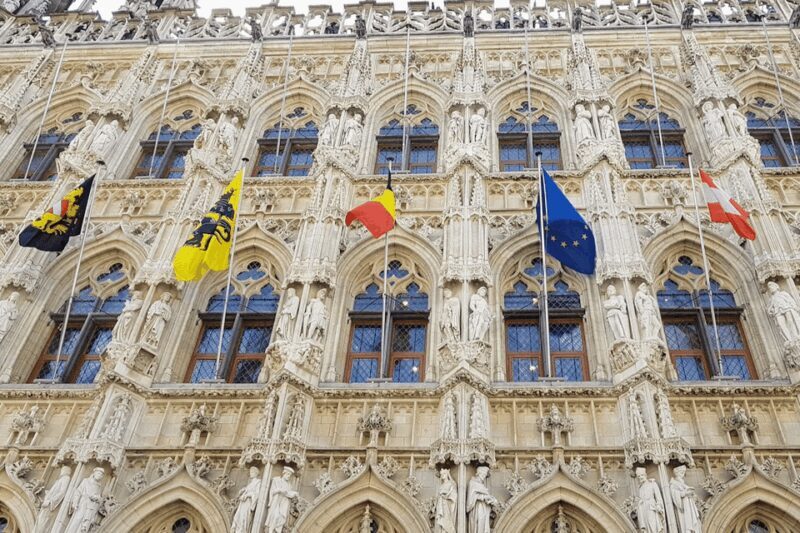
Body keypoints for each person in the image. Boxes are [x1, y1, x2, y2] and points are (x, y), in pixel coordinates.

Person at [65, 468, 105, 533]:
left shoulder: (99, 486)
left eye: (101, 475)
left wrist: (97, 498)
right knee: (76, 521)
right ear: (94, 473)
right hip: (82, 504)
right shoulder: (86, 481)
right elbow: (78, 492)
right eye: (98, 473)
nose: (100, 475)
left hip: (91, 508)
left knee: (84, 526)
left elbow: (99, 498)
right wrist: (75, 502)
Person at [265, 466, 299, 533]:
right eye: (288, 474)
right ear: (284, 473)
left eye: (290, 475)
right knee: (275, 516)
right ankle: (270, 530)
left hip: (284, 503)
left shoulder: (289, 485)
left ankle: (277, 531)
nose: (289, 476)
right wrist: (280, 490)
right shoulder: (276, 480)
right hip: (276, 501)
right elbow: (272, 491)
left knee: (281, 518)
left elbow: (288, 494)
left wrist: (294, 494)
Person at [670, 465, 701, 533]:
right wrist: (685, 493)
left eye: (683, 472)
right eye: (681, 472)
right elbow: (675, 494)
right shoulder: (674, 483)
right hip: (684, 506)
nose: (683, 474)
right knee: (687, 523)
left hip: (689, 504)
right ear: (676, 473)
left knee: (692, 521)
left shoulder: (682, 483)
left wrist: (692, 494)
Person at [466, 466, 496, 533]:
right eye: (483, 474)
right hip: (477, 508)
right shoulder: (472, 483)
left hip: (484, 508)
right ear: (479, 473)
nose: (484, 476)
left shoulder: (481, 485)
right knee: (478, 525)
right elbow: (470, 499)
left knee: (483, 526)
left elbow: (486, 496)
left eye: (485, 475)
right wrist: (483, 497)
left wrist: (491, 501)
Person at [231, 467, 261, 533]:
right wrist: (243, 491)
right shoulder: (250, 484)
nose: (251, 474)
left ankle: (241, 530)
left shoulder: (258, 482)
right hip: (243, 503)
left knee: (243, 518)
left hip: (248, 503)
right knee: (238, 517)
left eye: (252, 472)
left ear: (256, 474)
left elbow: (256, 494)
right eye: (250, 472)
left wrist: (247, 495)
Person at [435, 469, 457, 533]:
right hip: (441, 505)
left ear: (447, 474)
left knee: (447, 520)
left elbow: (454, 494)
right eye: (441, 475)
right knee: (442, 520)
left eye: (444, 474)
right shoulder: (441, 485)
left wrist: (446, 496)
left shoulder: (451, 483)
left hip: (448, 504)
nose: (442, 476)